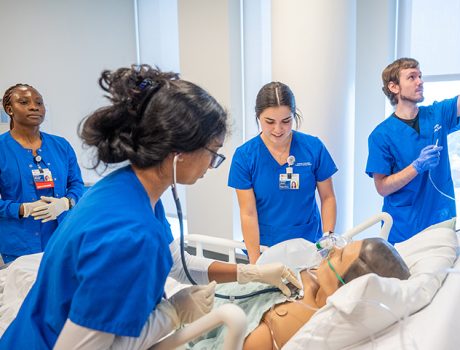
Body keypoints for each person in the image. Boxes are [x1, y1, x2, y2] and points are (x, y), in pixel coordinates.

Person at [0, 66, 301, 349]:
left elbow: (173, 261)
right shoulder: (130, 234)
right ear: (178, 151)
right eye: (213, 153)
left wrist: (250, 273)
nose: (212, 164)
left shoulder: (130, 188)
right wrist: (172, 314)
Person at [366, 46, 460, 244]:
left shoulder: (437, 114)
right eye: (412, 77)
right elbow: (382, 187)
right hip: (402, 228)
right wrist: (416, 167)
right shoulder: (381, 135)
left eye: (420, 76)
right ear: (394, 87)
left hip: (440, 222)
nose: (420, 82)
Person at [184, 237, 410, 349]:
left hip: (189, 327)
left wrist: (176, 316)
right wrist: (250, 272)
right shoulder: (316, 274)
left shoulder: (282, 327)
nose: (334, 249)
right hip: (202, 295)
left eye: (340, 257)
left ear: (347, 287)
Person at [228, 82, 338, 263]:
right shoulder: (245, 156)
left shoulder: (313, 148)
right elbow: (248, 212)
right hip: (266, 246)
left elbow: (328, 198)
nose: (278, 130)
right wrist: (256, 263)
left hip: (309, 244)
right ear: (258, 117)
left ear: (294, 116)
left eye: (286, 121)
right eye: (269, 122)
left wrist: (327, 239)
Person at [0, 84, 84, 263]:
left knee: (61, 290)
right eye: (24, 102)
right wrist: (22, 209)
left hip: (62, 239)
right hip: (20, 245)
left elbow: (77, 184)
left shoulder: (61, 146)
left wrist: (66, 203)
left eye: (39, 102)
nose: (34, 106)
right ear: (9, 109)